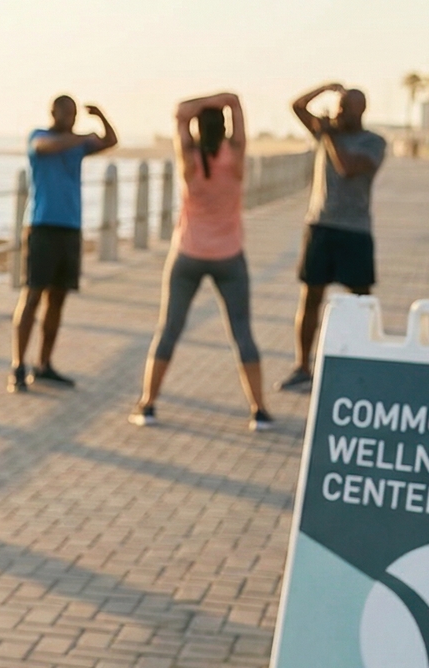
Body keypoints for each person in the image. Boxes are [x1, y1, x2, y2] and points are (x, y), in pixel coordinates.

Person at [129, 93, 271, 430]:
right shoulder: (234, 157)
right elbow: (236, 100)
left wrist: (196, 109)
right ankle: (259, 410)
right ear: (225, 129)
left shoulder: (189, 161)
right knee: (243, 333)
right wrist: (220, 102)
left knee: (169, 330)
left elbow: (178, 113)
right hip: (229, 257)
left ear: (195, 129)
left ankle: (147, 404)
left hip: (188, 255)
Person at [281, 82, 386, 392]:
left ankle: (364, 361)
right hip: (320, 225)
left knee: (361, 299)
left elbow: (347, 168)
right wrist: (325, 88)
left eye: (345, 109)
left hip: (355, 230)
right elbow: (297, 106)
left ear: (361, 110)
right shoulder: (327, 133)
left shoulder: (373, 142)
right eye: (338, 107)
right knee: (311, 296)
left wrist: (328, 134)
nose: (338, 113)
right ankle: (302, 365)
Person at [8, 94, 117, 391]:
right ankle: (18, 365)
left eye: (73, 112)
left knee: (58, 298)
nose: (69, 116)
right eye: (64, 111)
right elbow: (45, 147)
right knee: (32, 296)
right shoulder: (41, 137)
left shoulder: (78, 146)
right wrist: (81, 136)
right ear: (53, 111)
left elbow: (110, 141)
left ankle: (43, 365)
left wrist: (101, 115)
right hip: (42, 227)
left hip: (70, 228)